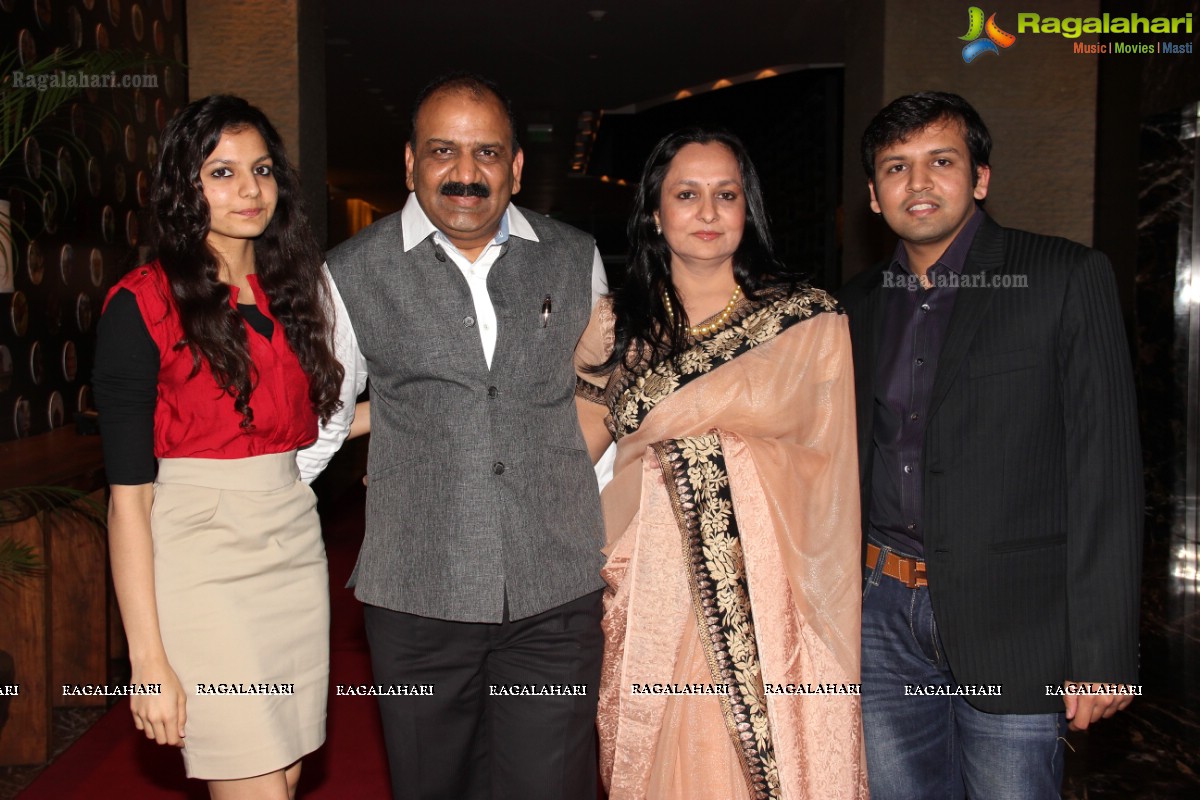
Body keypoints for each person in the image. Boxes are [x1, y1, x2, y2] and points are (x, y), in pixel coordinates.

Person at [296, 73, 608, 800]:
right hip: (416, 598)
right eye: (444, 151)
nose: (466, 174)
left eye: (487, 153)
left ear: (516, 167)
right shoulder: (348, 273)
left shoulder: (575, 255)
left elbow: (594, 402)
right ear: (409, 162)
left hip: (554, 595)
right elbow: (323, 420)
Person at [838, 91, 1143, 799]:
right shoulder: (851, 306)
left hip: (1016, 618)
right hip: (878, 616)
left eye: (941, 161)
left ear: (980, 178)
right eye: (895, 167)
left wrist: (1104, 652)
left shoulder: (1063, 278)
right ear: (874, 197)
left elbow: (1107, 475)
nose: (918, 184)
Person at [574, 127, 868, 800]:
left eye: (725, 195)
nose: (707, 213)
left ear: (748, 209)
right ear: (655, 212)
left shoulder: (808, 322)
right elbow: (569, 457)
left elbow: (830, 478)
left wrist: (692, 459)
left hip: (777, 617)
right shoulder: (617, 327)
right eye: (687, 194)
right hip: (651, 592)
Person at [93, 96, 346, 798]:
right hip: (200, 557)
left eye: (261, 169)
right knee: (255, 782)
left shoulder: (289, 293)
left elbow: (292, 436)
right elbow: (128, 502)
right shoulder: (139, 305)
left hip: (293, 544)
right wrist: (148, 662)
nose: (249, 189)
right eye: (222, 172)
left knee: (286, 772)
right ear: (185, 187)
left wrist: (408, 410)